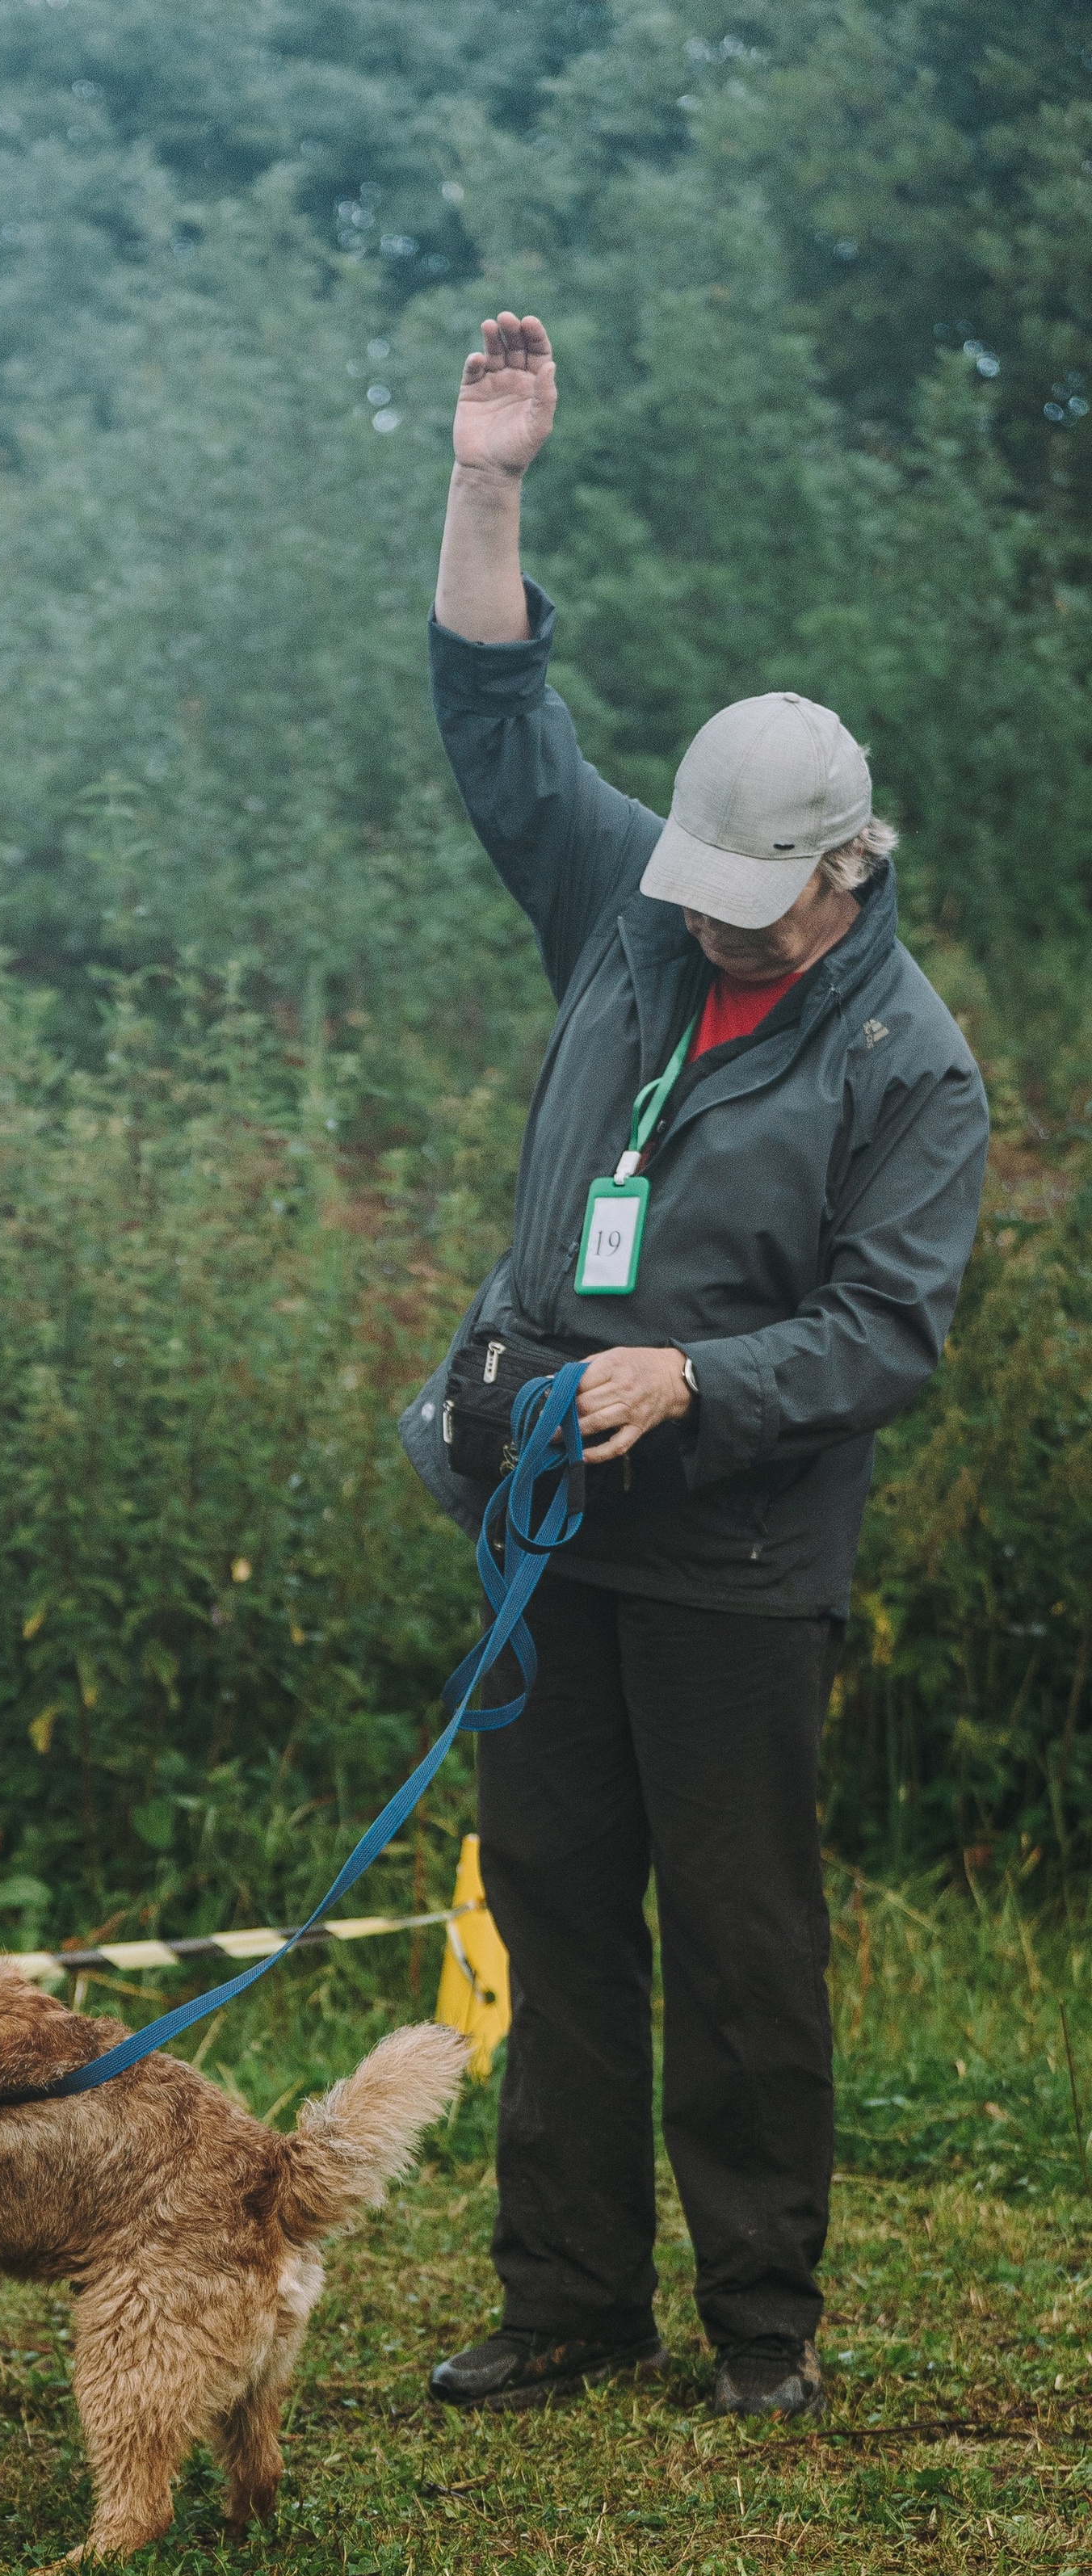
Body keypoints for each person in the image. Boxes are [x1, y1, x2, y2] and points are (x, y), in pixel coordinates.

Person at [405, 311, 989, 2419]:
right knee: (556, 1911)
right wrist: (488, 481)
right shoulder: (634, 912)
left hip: (738, 1558)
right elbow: (497, 720)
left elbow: (888, 1330)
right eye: (706, 892)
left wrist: (698, 1384)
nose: (724, 928)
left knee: (743, 1949)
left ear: (848, 872)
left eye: (763, 904)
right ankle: (569, 2303)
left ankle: (762, 2326)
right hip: (551, 1520)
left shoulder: (915, 1067)